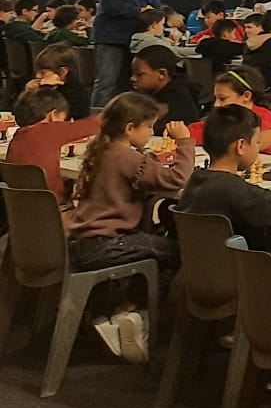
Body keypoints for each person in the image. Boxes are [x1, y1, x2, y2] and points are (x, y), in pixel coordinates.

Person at [66, 90, 193, 363]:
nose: (151, 132)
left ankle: (117, 313)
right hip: (109, 243)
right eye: (148, 127)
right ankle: (131, 311)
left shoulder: (104, 150)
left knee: (155, 243)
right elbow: (177, 178)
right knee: (181, 252)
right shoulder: (127, 157)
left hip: (83, 241)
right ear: (130, 128)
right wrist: (184, 142)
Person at [180, 103, 271, 263]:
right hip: (246, 276)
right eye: (257, 142)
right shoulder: (232, 189)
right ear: (241, 146)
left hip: (201, 273)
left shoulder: (195, 180)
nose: (258, 148)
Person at [92, 0, 164, 106]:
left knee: (129, 84)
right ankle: (95, 120)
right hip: (111, 37)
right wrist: (138, 11)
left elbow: (157, 6)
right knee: (106, 82)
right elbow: (107, 3)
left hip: (135, 41)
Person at [2, 83, 96, 190]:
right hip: (53, 204)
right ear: (53, 114)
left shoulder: (18, 135)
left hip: (19, 204)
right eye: (63, 119)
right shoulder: (49, 130)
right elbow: (95, 123)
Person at [187, 66, 271, 153]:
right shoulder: (224, 116)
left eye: (223, 99)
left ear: (246, 96)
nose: (216, 104)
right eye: (216, 99)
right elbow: (201, 128)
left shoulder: (264, 118)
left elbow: (229, 141)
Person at [130, 43, 200, 132]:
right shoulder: (148, 93)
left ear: (162, 74)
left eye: (139, 74)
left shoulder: (177, 99)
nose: (133, 78)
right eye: (133, 74)